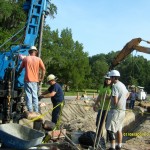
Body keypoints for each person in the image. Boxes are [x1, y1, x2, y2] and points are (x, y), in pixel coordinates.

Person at [106, 70, 129, 150]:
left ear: (113, 77)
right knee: (119, 129)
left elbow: (115, 101)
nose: (110, 79)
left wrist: (110, 98)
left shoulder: (115, 86)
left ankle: (112, 147)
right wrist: (122, 100)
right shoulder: (122, 85)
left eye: (110, 78)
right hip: (122, 110)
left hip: (115, 111)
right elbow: (127, 94)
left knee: (110, 129)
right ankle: (119, 146)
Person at [18, 46, 46, 113]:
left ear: (29, 52)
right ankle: (36, 111)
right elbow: (44, 69)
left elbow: (21, 68)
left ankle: (30, 110)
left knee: (28, 95)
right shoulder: (38, 59)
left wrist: (17, 73)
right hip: (35, 81)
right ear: (36, 52)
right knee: (35, 96)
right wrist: (41, 78)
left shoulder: (26, 59)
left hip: (27, 80)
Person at [93, 72, 112, 148]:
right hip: (101, 108)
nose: (107, 81)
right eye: (106, 79)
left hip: (108, 109)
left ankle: (108, 140)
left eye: (109, 79)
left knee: (108, 126)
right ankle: (99, 138)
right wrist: (95, 104)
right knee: (98, 123)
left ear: (111, 80)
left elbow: (111, 97)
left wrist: (107, 96)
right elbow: (99, 96)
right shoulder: (102, 87)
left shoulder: (112, 88)